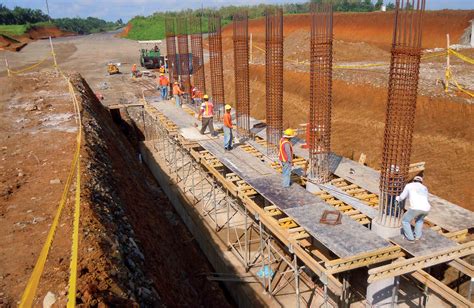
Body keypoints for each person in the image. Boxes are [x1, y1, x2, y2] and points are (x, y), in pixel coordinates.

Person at [396, 176, 431, 241]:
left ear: (413, 180)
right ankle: (417, 237)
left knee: (405, 220)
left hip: (415, 208)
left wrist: (398, 198)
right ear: (421, 182)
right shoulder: (424, 188)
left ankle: (410, 238)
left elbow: (403, 196)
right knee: (419, 220)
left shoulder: (409, 185)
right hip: (426, 208)